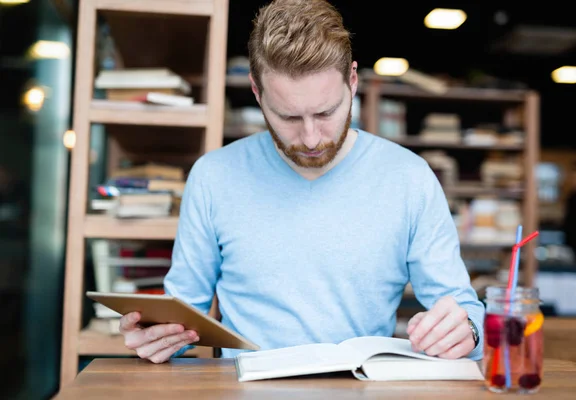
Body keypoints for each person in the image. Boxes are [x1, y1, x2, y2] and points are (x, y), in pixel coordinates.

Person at [118, 0, 484, 364]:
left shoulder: (410, 177)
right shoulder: (213, 177)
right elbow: (183, 317)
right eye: (289, 116)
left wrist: (466, 330)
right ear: (258, 93)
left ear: (352, 81)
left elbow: (463, 308)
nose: (310, 138)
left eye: (326, 112)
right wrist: (157, 337)